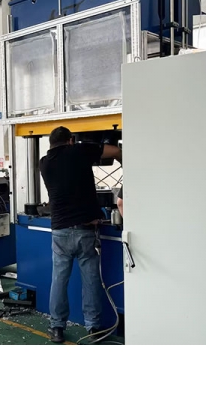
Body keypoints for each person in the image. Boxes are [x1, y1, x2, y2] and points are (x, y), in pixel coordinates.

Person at [39, 126, 122, 343]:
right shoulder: (80, 151)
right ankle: (93, 326)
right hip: (85, 231)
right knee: (91, 280)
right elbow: (113, 151)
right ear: (70, 141)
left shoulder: (44, 162)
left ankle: (57, 327)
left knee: (59, 280)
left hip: (60, 231)